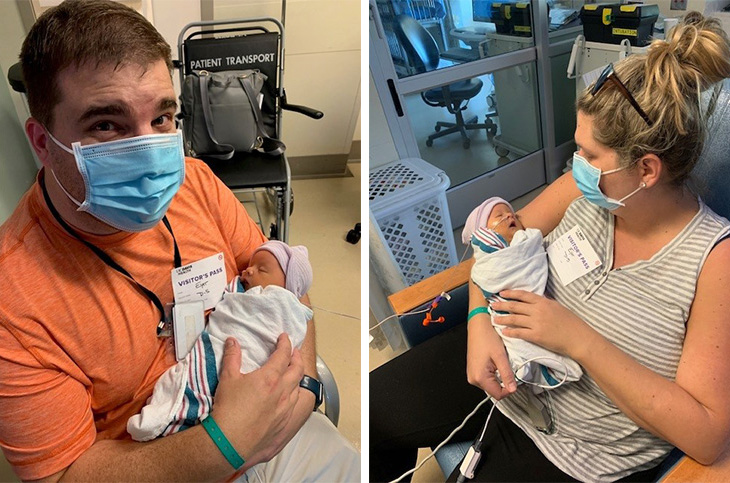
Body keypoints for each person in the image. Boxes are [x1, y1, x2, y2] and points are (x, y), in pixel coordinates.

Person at [0, 1, 358, 481]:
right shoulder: (13, 300)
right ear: (43, 143)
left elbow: (282, 279)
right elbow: (62, 474)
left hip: (276, 425)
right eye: (106, 124)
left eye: (162, 118)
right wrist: (226, 446)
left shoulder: (197, 182)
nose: (148, 149)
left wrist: (306, 386)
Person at [371, 11, 730, 482]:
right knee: (376, 413)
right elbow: (498, 244)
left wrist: (577, 340)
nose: (574, 163)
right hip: (507, 360)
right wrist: (479, 323)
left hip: (580, 445)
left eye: (589, 155)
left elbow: (705, 436)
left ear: (647, 170)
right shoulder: (584, 191)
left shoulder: (714, 262)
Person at [127, 240, 315, 441]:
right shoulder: (246, 287)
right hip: (204, 444)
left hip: (265, 405)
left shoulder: (283, 306)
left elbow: (296, 310)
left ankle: (176, 412)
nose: (248, 271)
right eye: (250, 266)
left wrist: (307, 393)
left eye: (261, 269)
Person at [461, 197, 582, 391]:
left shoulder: (526, 238)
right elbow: (483, 268)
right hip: (500, 321)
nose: (510, 215)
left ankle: (533, 366)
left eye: (512, 214)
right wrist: (477, 320)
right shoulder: (492, 249)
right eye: (500, 215)